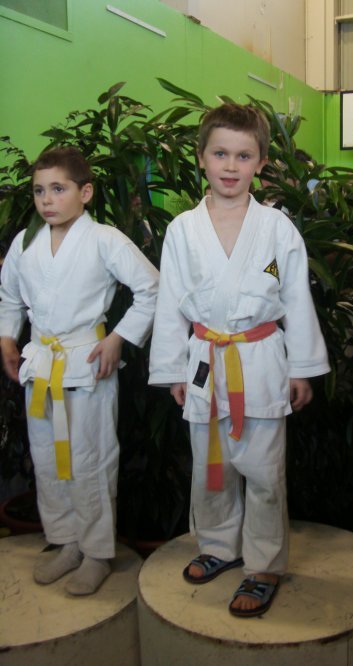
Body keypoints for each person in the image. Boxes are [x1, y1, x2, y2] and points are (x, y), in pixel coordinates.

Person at [149, 103, 330, 617]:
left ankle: (265, 564)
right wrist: (171, 369)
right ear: (201, 157)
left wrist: (302, 367)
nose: (231, 166)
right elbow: (169, 302)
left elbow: (295, 298)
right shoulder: (183, 229)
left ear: (261, 162)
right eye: (220, 154)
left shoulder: (276, 228)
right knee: (212, 466)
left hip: (261, 359)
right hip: (206, 359)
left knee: (265, 471)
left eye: (244, 156)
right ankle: (218, 545)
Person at [0, 147, 159, 595]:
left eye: (58, 189)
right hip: (41, 364)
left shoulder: (105, 239)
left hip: (87, 363)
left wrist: (118, 338)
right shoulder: (25, 242)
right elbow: (9, 296)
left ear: (84, 192)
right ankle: (66, 541)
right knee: (48, 460)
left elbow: (151, 287)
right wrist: (8, 337)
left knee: (91, 460)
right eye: (39, 191)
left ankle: (96, 552)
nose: (47, 200)